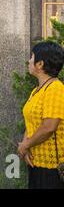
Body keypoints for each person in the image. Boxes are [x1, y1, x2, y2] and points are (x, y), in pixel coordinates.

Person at [18, 41, 64, 189]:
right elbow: (30, 121)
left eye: (31, 57)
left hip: (52, 168)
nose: (29, 61)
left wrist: (25, 145)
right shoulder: (37, 90)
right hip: (36, 162)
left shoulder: (55, 88)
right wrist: (25, 148)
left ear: (40, 64)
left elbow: (48, 127)